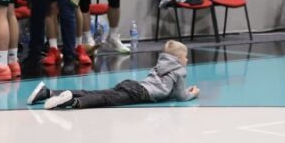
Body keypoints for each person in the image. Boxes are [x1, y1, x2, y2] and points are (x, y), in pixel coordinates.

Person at [26, 40, 199, 109]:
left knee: (98, 93)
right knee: (105, 99)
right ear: (178, 59)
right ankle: (71, 101)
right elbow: (181, 96)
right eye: (185, 56)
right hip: (140, 94)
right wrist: (192, 94)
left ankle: (48, 93)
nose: (187, 59)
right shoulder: (179, 70)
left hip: (133, 85)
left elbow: (166, 89)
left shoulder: (160, 64)